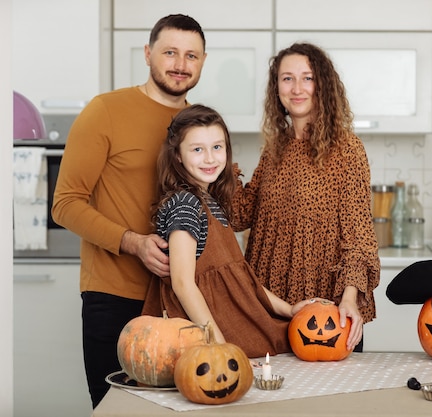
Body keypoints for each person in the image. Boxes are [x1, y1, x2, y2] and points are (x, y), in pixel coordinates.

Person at [51, 14, 207, 408]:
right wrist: (132, 242)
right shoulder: (106, 110)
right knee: (115, 410)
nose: (180, 64)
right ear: (147, 54)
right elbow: (65, 203)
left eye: (191, 55)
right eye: (169, 52)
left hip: (181, 299)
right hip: (115, 296)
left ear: (203, 61)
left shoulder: (198, 123)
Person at [231, 42, 381, 352]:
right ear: (277, 89)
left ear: (322, 86)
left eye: (307, 77)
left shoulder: (346, 149)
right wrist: (216, 166)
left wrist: (349, 299)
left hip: (326, 315)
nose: (297, 88)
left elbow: (359, 236)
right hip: (270, 308)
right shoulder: (274, 150)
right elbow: (240, 216)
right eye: (287, 78)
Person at [141, 104, 323, 358]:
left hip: (230, 330)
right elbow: (182, 284)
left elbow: (242, 280)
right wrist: (217, 345)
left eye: (217, 147)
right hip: (201, 340)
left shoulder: (210, 201)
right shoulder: (185, 204)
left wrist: (290, 310)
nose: (210, 158)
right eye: (197, 149)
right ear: (178, 156)